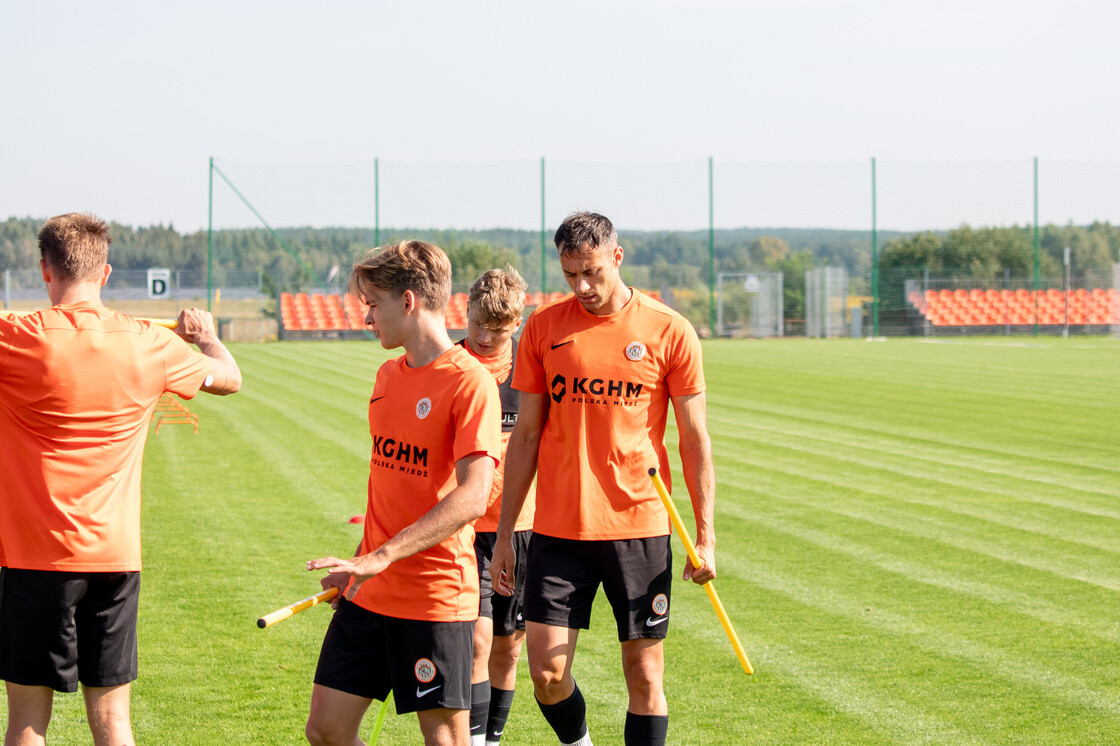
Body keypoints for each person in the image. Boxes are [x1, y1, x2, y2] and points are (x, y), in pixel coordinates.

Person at [0, 212, 242, 746]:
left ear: (45, 269)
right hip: (115, 559)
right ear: (105, 273)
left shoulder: (16, 338)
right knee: (113, 722)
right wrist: (206, 337)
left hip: (36, 558)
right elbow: (230, 378)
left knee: (25, 723)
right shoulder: (146, 343)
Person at [491, 212, 717, 746]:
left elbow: (694, 440)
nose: (582, 286)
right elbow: (524, 437)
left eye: (591, 271)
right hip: (559, 530)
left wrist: (704, 535)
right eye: (570, 275)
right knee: (546, 675)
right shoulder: (544, 328)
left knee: (644, 675)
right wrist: (504, 536)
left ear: (617, 256)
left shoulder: (669, 330)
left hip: (640, 528)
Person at [305, 240, 503, 746]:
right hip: (370, 591)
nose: (366, 317)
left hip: (434, 597)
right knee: (326, 731)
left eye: (373, 303)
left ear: (409, 301)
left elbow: (474, 497)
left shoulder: (469, 383)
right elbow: (389, 487)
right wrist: (358, 563)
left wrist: (384, 555)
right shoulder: (386, 375)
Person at [455, 268, 535, 746]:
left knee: (508, 646)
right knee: (477, 642)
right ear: (466, 311)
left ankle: (492, 739)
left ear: (516, 323)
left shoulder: (531, 370)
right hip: (464, 531)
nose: (484, 337)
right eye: (478, 323)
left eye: (498, 329)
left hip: (524, 525)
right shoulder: (448, 365)